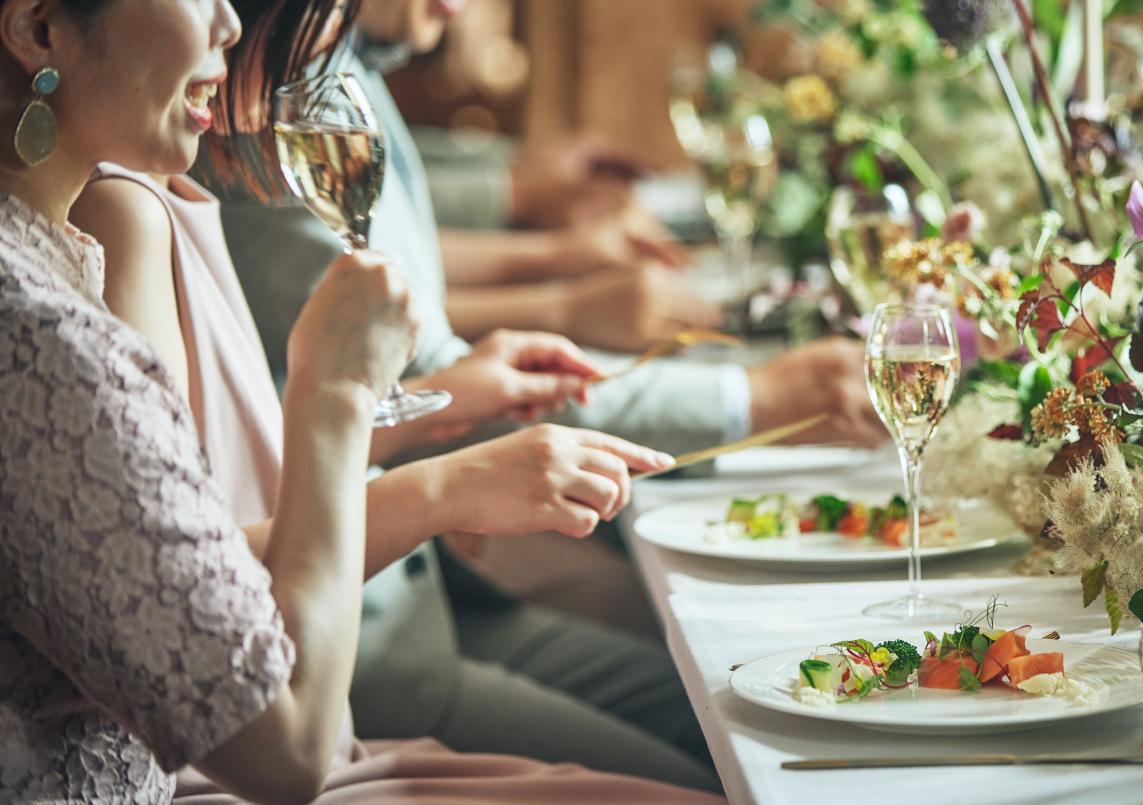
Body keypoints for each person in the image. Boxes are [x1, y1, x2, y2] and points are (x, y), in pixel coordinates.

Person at [0, 0, 721, 800]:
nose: (231, 24)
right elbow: (287, 753)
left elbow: (183, 557)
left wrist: (442, 478)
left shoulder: (80, 232)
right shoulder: (48, 318)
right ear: (36, 30)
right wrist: (341, 394)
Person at [189, 0, 884, 762]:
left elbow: (398, 288)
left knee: (734, 705)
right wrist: (756, 399)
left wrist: (524, 299)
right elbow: (387, 373)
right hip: (364, 654)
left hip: (426, 599)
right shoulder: (261, 95)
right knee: (744, 737)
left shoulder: (311, 64)